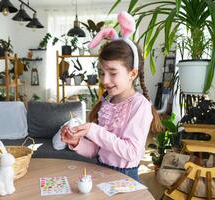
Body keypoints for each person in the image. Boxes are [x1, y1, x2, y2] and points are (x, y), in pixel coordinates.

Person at [61, 11, 162, 181]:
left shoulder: (140, 105)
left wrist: (94, 130)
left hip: (124, 177)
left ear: (132, 73)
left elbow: (131, 152)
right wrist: (76, 142)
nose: (105, 80)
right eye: (102, 73)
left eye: (113, 73)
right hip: (101, 171)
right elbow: (96, 149)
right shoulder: (107, 101)